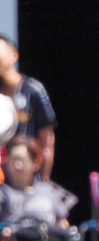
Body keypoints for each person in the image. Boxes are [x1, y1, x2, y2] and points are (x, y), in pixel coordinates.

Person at [0, 33, 57, 180]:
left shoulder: (33, 89)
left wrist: (44, 181)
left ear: (14, 55)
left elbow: (47, 140)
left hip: (25, 173)